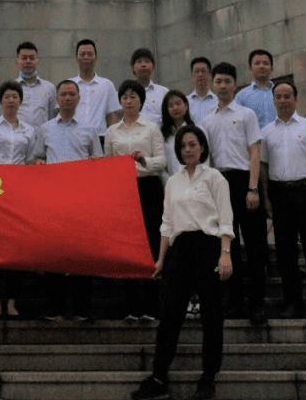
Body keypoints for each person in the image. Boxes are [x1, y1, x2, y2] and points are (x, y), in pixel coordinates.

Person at [130, 126, 233, 400]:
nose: (188, 149)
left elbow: (225, 219)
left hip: (208, 247)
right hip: (179, 250)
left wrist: (225, 254)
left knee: (211, 315)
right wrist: (162, 258)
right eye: (183, 146)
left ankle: (208, 378)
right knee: (170, 315)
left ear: (202, 147)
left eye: (193, 144)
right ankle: (159, 378)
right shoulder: (173, 183)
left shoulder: (214, 178)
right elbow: (167, 224)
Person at [200, 62, 268, 326]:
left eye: (228, 81)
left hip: (244, 182)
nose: (223, 86)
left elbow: (255, 152)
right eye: (218, 81)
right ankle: (236, 302)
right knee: (228, 246)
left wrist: (253, 188)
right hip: (220, 183)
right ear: (213, 85)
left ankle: (257, 305)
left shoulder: (247, 114)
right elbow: (207, 159)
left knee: (255, 247)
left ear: (235, 84)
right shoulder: (207, 119)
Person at [260, 81, 306, 322]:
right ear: (273, 101)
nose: (283, 100)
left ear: (296, 99)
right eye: (278, 96)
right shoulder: (266, 132)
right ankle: (293, 303)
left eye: (288, 96)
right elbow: (263, 167)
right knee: (285, 254)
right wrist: (267, 197)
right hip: (279, 195)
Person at [36, 80, 102, 321]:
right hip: (53, 200)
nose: (67, 98)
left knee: (81, 254)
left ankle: (82, 309)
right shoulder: (45, 129)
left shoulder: (90, 128)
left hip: (80, 200)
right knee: (54, 253)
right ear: (56, 98)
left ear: (78, 98)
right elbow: (37, 158)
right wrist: (39, 164)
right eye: (62, 94)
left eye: (71, 94)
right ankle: (55, 308)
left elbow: (97, 160)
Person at [104, 79, 166, 321]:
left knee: (150, 243)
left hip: (149, 187)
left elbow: (161, 161)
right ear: (120, 101)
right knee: (128, 245)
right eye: (125, 97)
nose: (129, 101)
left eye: (133, 97)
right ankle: (131, 306)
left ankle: (151, 306)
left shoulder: (151, 129)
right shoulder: (112, 132)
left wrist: (144, 161)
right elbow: (107, 163)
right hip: (124, 191)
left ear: (141, 101)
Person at [0, 80, 37, 318]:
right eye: (7, 97)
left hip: (19, 195)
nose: (11, 100)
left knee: (17, 249)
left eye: (15, 96)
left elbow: (32, 161)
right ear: (0, 102)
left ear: (20, 101)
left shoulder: (29, 130)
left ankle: (12, 299)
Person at [72, 38, 119, 144]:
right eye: (82, 54)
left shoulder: (107, 84)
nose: (86, 57)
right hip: (74, 138)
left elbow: (111, 116)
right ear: (76, 58)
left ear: (96, 58)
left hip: (101, 138)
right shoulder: (69, 85)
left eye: (90, 54)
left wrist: (113, 141)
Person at [15, 42, 56, 135]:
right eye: (24, 58)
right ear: (17, 62)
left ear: (38, 62)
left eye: (32, 58)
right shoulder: (11, 87)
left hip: (41, 140)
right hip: (18, 140)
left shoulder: (49, 88)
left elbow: (52, 117)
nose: (28, 61)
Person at [235, 49, 276, 129]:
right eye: (257, 63)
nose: (261, 66)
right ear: (250, 69)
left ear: (271, 69)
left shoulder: (280, 92)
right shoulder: (241, 96)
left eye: (265, 63)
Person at [159, 89, 194, 178]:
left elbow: (204, 160)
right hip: (173, 184)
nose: (175, 108)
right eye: (170, 105)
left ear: (185, 105)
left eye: (178, 103)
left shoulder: (197, 130)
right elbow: (162, 166)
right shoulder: (163, 136)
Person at [130, 48, 168, 125]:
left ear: (153, 66)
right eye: (139, 61)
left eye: (147, 61)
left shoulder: (164, 92)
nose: (143, 65)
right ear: (133, 67)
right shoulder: (125, 94)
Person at [186, 56, 217, 124]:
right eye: (196, 71)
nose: (200, 74)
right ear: (191, 76)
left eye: (203, 71)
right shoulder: (185, 102)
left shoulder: (218, 101)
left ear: (210, 75)